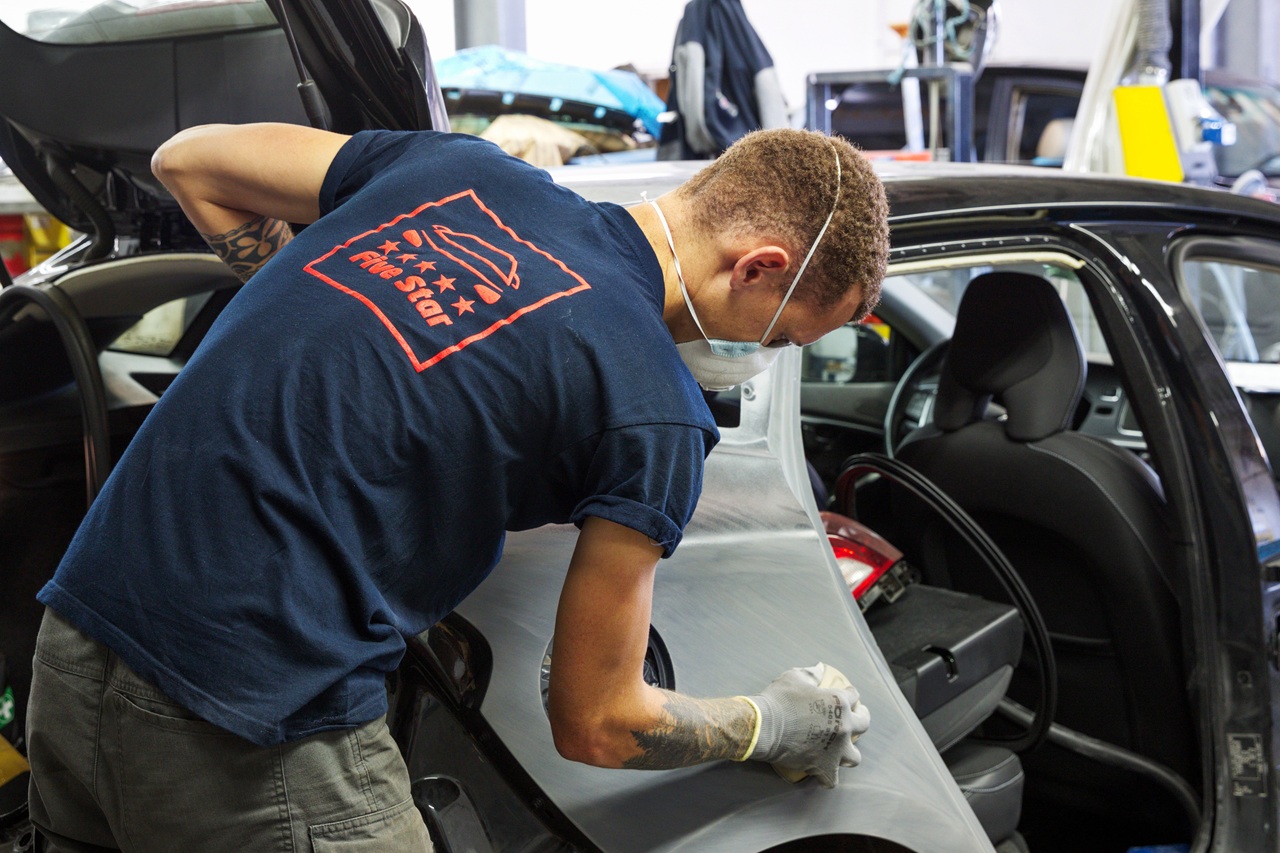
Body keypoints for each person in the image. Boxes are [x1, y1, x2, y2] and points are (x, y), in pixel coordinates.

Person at [25, 122, 889, 850]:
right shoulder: (654, 414)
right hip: (253, 721)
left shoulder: (454, 171)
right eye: (779, 338)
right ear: (757, 268)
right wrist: (771, 723)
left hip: (74, 645)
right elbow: (596, 719)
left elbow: (189, 160)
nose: (762, 359)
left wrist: (358, 334)